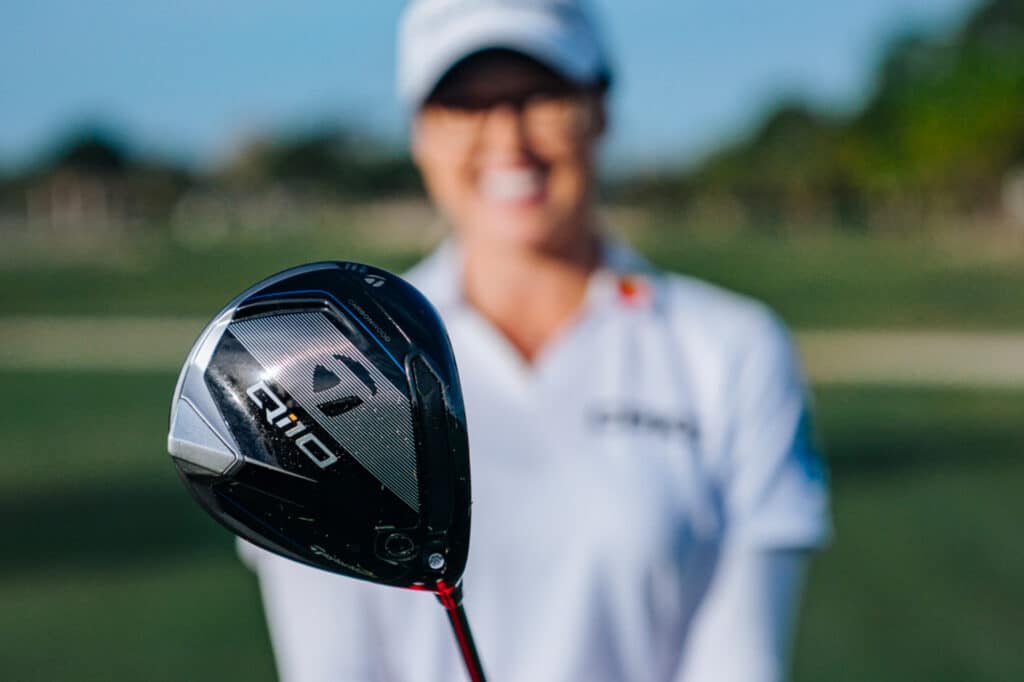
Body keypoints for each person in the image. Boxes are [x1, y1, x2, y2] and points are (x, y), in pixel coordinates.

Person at [240, 1, 831, 680]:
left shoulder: (734, 352)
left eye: (541, 94)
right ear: (420, 133)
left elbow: (738, 665)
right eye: (463, 103)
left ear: (600, 108)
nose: (508, 137)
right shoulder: (326, 364)